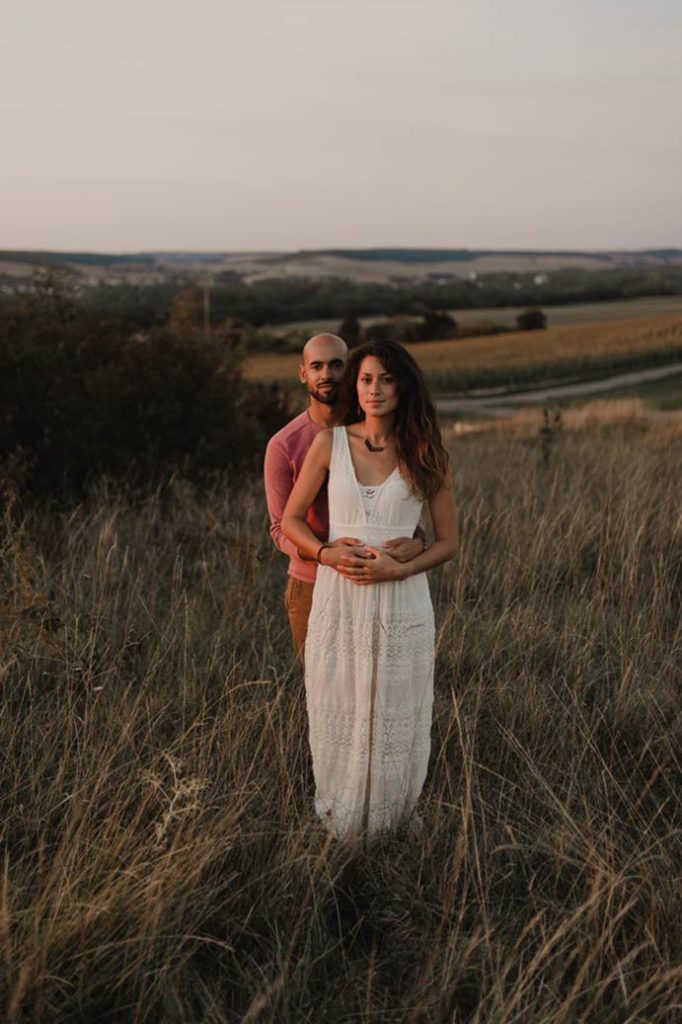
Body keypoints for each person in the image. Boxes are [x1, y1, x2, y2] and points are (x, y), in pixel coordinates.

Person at [282, 340, 458, 841]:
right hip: (340, 599)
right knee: (337, 700)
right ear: (353, 387)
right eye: (365, 379)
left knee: (395, 711)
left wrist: (400, 569)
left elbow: (448, 542)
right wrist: (325, 553)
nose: (374, 389)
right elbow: (292, 520)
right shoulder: (330, 444)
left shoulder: (426, 451)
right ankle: (340, 820)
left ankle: (391, 821)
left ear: (403, 385)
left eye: (385, 378)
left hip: (402, 602)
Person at [263, 333, 424, 660]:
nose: (327, 374)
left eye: (336, 365)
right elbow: (280, 529)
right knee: (324, 696)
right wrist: (325, 555)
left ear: (349, 370)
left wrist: (418, 539)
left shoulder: (380, 429)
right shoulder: (284, 445)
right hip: (311, 585)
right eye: (317, 366)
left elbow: (405, 502)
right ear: (303, 373)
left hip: (381, 578)